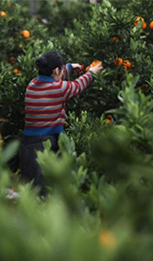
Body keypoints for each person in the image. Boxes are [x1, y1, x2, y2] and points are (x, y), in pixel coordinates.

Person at [19, 51, 103, 196]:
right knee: (42, 194)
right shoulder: (60, 89)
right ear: (57, 70)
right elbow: (78, 85)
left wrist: (70, 67)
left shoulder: (32, 85)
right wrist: (91, 73)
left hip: (27, 145)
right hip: (44, 145)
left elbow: (52, 80)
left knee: (29, 191)